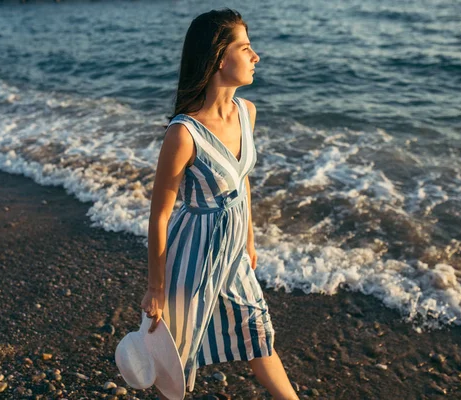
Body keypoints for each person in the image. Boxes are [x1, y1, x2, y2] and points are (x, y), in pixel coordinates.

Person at [140, 8, 299, 400]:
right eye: (246, 48)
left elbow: (242, 181)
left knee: (256, 332)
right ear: (219, 59)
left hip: (232, 253)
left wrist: (249, 239)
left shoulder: (247, 112)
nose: (255, 56)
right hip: (192, 255)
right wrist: (155, 287)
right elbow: (159, 216)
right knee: (177, 357)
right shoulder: (183, 133)